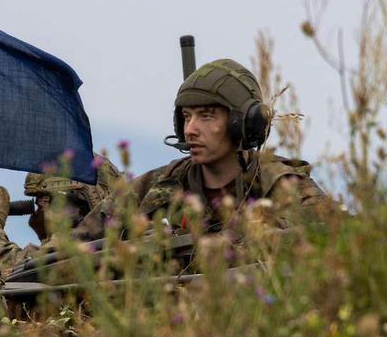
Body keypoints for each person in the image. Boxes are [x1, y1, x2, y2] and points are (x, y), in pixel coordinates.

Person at [75, 59, 333, 240]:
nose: (190, 129)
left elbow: (336, 233)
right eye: (186, 117)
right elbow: (73, 245)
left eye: (207, 116)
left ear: (241, 123)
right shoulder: (158, 186)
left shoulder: (279, 185)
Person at [0, 156, 120, 273]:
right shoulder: (109, 238)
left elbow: (12, 269)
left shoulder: (88, 244)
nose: (39, 212)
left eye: (44, 200)